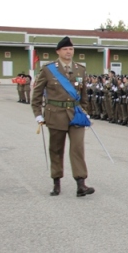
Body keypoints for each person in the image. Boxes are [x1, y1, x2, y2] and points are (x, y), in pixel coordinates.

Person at [30, 36, 94, 197]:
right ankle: (56, 181)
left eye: (71, 49)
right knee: (56, 149)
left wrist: (85, 111)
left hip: (76, 115)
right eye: (65, 49)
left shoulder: (80, 69)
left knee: (77, 148)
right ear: (58, 51)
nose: (68, 52)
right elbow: (36, 95)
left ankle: (81, 183)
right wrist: (38, 114)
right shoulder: (48, 69)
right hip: (55, 115)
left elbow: (84, 94)